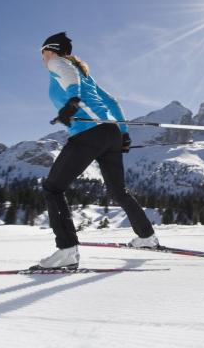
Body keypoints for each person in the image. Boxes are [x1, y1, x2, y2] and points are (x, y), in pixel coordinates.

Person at [34, 32, 158, 269]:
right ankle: (146, 237)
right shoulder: (84, 75)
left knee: (53, 188)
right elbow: (111, 102)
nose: (42, 58)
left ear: (49, 50)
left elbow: (71, 80)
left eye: (42, 53)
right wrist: (123, 134)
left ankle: (67, 250)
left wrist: (72, 102)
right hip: (109, 132)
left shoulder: (57, 62)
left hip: (88, 132)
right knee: (118, 190)